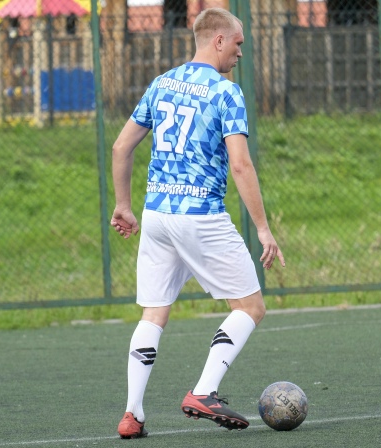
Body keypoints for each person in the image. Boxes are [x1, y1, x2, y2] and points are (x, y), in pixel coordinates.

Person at [110, 7, 285, 439]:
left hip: (156, 215)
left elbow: (120, 147)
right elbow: (240, 165)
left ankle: (132, 414)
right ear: (218, 40)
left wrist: (123, 205)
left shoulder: (161, 83)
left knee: (153, 314)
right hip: (199, 216)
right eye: (238, 43)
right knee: (250, 308)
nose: (241, 52)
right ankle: (204, 391)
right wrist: (263, 228)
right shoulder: (226, 92)